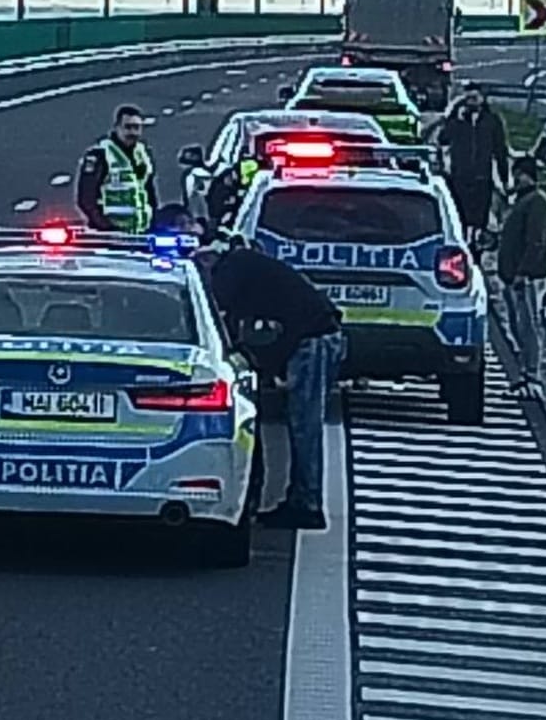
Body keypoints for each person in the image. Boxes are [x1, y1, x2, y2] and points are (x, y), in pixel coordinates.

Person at [188, 227, 345, 532]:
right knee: (303, 424)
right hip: (316, 336)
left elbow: (224, 318)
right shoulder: (243, 265)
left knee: (305, 425)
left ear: (207, 260)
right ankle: (301, 498)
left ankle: (308, 504)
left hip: (314, 340)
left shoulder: (231, 272)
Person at [495, 154, 546, 399]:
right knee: (518, 326)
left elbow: (536, 242)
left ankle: (532, 376)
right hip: (514, 277)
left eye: (518, 175)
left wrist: (523, 272)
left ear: (527, 175)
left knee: (528, 327)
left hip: (527, 278)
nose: (515, 180)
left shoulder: (536, 203)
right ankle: (524, 374)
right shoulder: (522, 202)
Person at [439, 83, 510, 249]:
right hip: (460, 178)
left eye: (474, 98)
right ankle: (461, 245)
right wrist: (454, 118)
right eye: (468, 99)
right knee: (460, 217)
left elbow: (500, 150)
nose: (471, 102)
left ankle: (476, 247)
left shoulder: (492, 121)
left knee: (480, 220)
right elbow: (443, 139)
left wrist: (505, 178)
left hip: (482, 178)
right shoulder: (458, 120)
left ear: (482, 99)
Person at [75, 104, 158, 234]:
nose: (132, 132)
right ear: (117, 127)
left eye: (137, 127)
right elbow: (86, 198)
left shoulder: (142, 154)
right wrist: (104, 226)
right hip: (110, 235)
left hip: (140, 232)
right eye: (128, 127)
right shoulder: (101, 154)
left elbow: (149, 194)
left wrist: (153, 224)